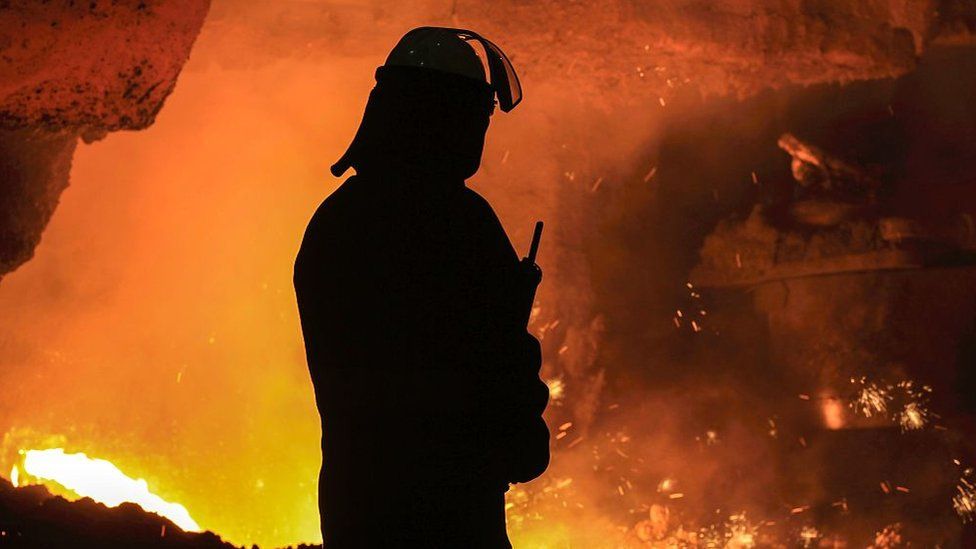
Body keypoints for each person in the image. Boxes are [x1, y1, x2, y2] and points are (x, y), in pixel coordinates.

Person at [294, 27, 549, 548]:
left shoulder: (337, 219)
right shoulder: (457, 221)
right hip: (447, 507)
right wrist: (521, 436)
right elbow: (482, 362)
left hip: (356, 502)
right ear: (444, 116)